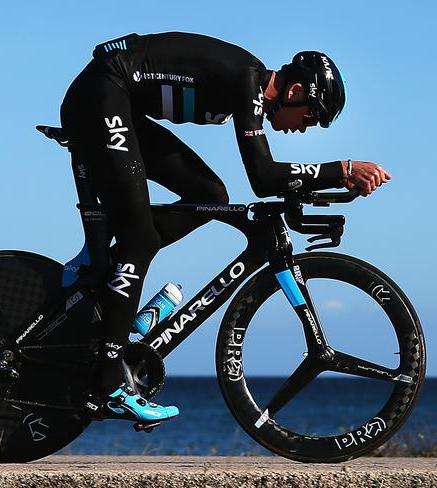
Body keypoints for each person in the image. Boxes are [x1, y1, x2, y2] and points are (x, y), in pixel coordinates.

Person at [60, 32, 391, 425]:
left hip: (117, 100)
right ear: (294, 90)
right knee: (141, 237)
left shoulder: (246, 84)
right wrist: (343, 170)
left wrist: (325, 182)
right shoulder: (247, 82)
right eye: (309, 116)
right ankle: (107, 385)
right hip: (101, 94)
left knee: (209, 194)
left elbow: (264, 176)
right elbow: (263, 176)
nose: (304, 128)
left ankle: (116, 288)